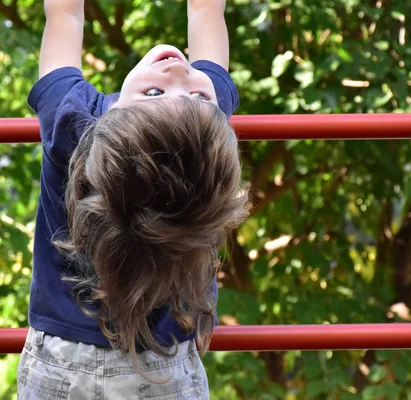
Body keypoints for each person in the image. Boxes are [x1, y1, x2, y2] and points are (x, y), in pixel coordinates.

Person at [18, 0, 248, 398]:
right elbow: (207, 14)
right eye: (198, 97)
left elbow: (63, 15)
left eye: (156, 92)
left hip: (61, 363)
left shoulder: (71, 119)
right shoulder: (203, 138)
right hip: (164, 367)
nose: (179, 72)